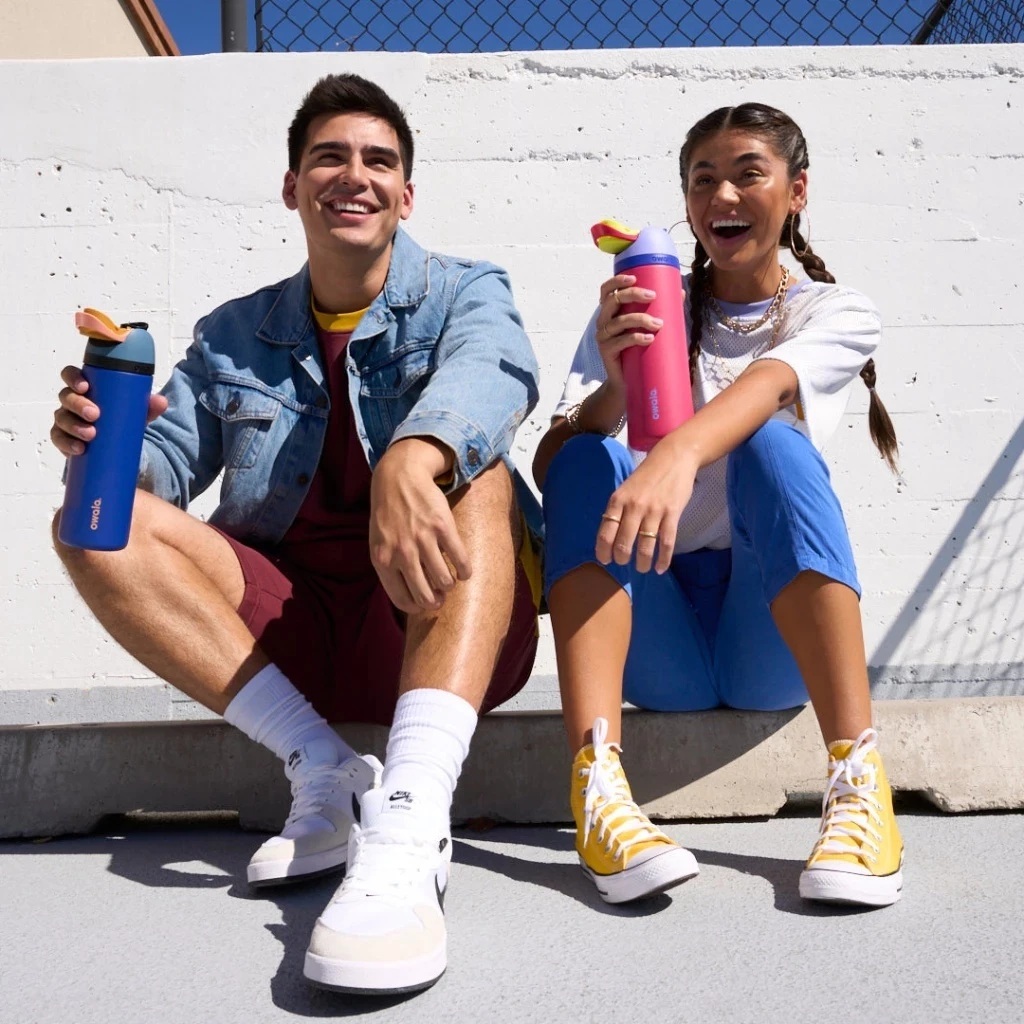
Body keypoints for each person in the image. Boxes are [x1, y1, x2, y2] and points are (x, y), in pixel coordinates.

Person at [50, 73, 541, 995]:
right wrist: (101, 445)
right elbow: (162, 467)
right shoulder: (234, 336)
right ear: (292, 186)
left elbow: (497, 369)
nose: (354, 175)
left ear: (405, 194)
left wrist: (414, 456)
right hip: (294, 641)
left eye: (378, 161)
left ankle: (409, 819)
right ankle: (324, 770)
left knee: (480, 476)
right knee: (92, 523)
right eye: (329, 157)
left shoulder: (465, 292)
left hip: (437, 625)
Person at [532, 102, 903, 910]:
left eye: (747, 174)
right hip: (655, 631)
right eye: (703, 180)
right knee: (588, 456)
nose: (722, 197)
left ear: (796, 191)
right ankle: (599, 791)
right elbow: (553, 470)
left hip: (765, 635)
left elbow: (769, 386)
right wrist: (614, 389)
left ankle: (859, 784)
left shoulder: (835, 311)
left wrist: (676, 453)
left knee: (774, 441)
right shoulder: (642, 303)